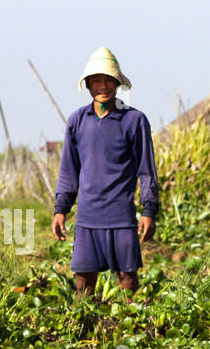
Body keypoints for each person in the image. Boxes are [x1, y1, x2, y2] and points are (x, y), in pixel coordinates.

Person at [52, 47, 159, 297]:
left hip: (121, 217)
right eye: (97, 80)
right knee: (83, 284)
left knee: (127, 280)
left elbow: (146, 171)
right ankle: (83, 331)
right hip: (88, 218)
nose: (103, 86)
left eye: (108, 80)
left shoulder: (134, 121)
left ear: (118, 83)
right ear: (88, 84)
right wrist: (61, 209)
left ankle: (132, 330)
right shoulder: (77, 121)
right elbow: (69, 170)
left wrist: (149, 210)